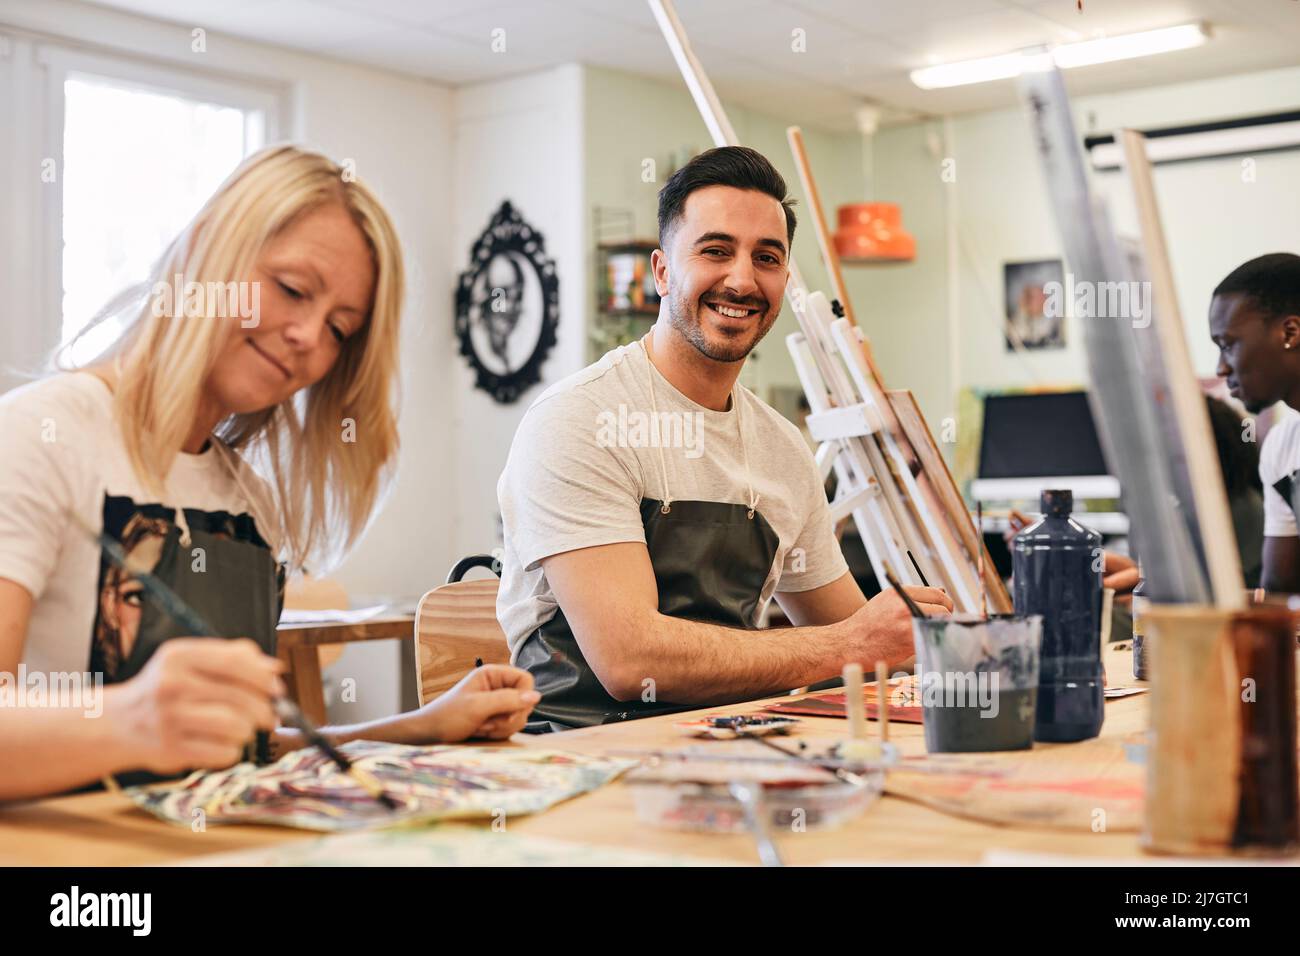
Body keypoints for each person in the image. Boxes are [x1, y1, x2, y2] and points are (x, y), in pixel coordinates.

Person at [0, 146, 537, 801]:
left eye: (341, 328)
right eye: (290, 290)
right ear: (205, 249)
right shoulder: (38, 437)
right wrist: (126, 721)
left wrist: (421, 726)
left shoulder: (247, 502)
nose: (310, 337)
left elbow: (240, 752)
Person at [497, 146, 951, 731]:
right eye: (715, 251)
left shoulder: (783, 451)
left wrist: (934, 640)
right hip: (581, 757)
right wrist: (850, 647)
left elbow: (860, 634)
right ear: (661, 271)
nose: (741, 279)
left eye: (767, 258)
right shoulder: (579, 419)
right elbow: (630, 660)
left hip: (726, 750)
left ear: (785, 281)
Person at [1208, 252, 1300, 592]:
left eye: (1228, 345)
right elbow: (1279, 591)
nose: (1221, 368)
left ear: (1290, 332)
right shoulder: (1281, 447)